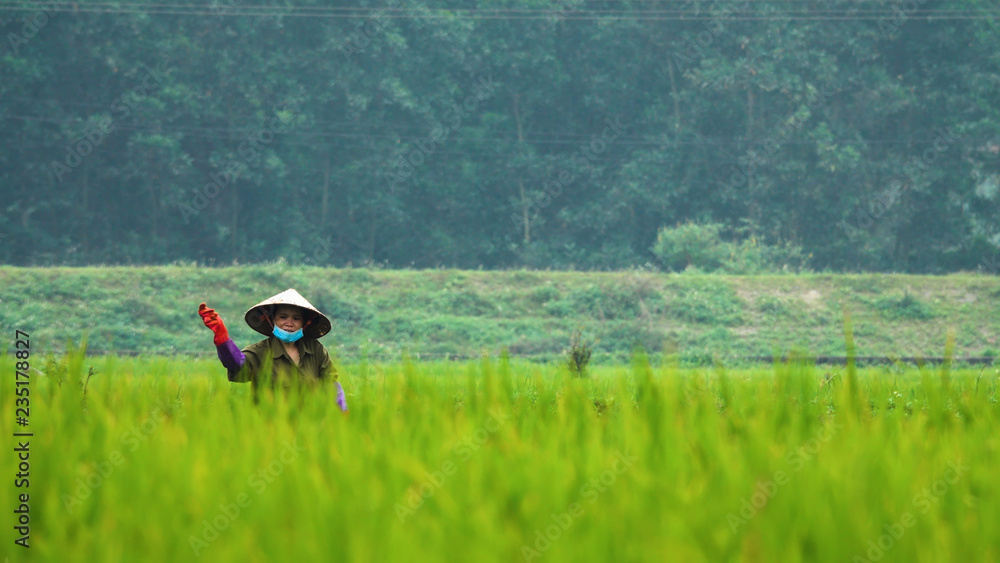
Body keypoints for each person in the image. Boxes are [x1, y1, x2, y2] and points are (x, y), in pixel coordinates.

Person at [198, 288, 348, 412]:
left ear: (304, 323)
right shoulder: (259, 352)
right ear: (272, 320)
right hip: (269, 430)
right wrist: (222, 336)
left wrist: (342, 413)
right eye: (283, 317)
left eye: (296, 318)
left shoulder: (315, 350)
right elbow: (238, 364)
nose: (289, 323)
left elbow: (331, 385)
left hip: (310, 428)